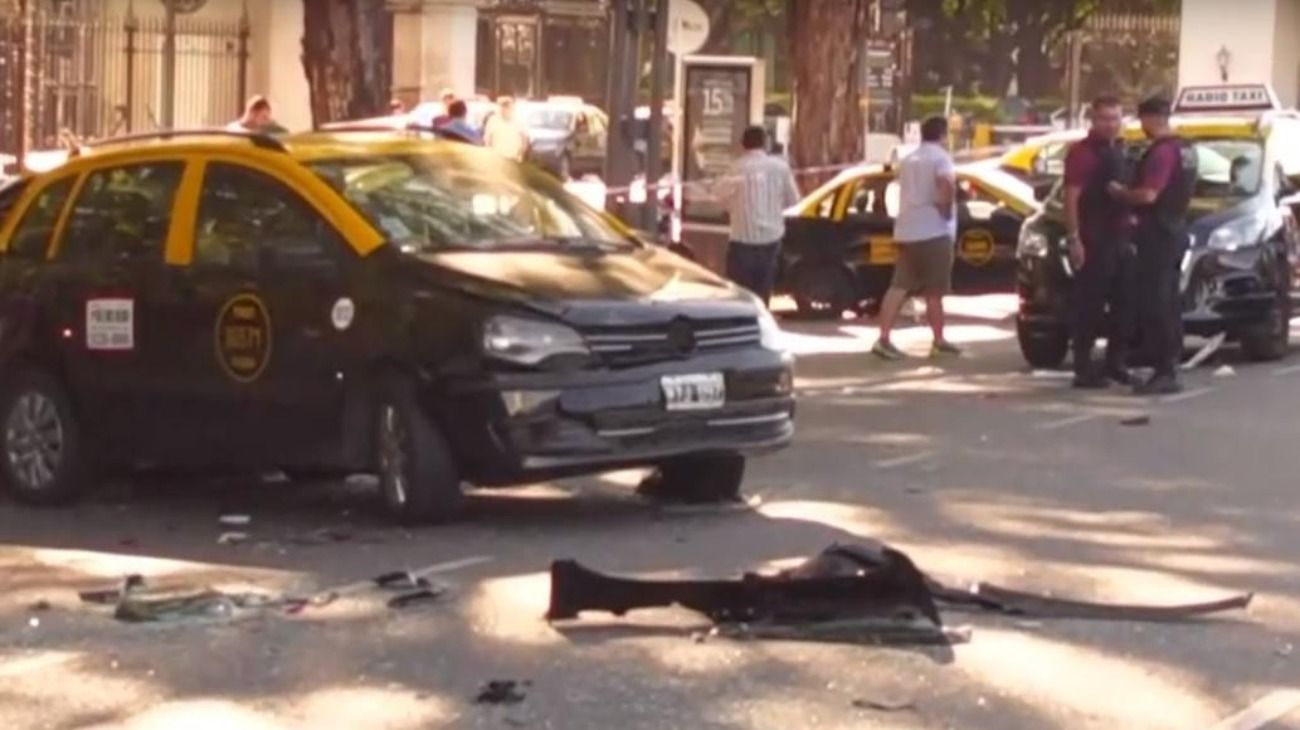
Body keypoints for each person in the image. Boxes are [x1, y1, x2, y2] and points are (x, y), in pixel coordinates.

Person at [1107, 96, 1198, 395]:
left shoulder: (1163, 152)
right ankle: (1166, 363)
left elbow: (1148, 195)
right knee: (1168, 300)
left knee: (1156, 301)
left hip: (1158, 233)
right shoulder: (1186, 148)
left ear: (1151, 118)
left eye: (1141, 119)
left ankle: (1165, 370)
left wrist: (1121, 193)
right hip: (1175, 228)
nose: (1141, 125)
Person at [872, 116, 961, 361]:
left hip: (907, 230)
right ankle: (938, 340)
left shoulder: (909, 159)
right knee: (935, 291)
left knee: (899, 286)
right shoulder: (941, 158)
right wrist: (946, 210)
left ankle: (883, 338)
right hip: (934, 231)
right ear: (943, 134)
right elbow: (946, 184)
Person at [1063, 95, 1135, 389]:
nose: (1111, 124)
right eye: (1105, 118)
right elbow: (1071, 198)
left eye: (1115, 118)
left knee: (1125, 303)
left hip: (1120, 237)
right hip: (1093, 237)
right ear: (1093, 120)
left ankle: (1116, 363)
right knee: (1090, 305)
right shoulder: (1082, 154)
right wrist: (1074, 239)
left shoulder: (1119, 150)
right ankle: (1083, 368)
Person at [716, 126, 800, 306]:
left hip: (742, 240)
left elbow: (719, 196)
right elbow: (793, 200)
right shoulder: (780, 168)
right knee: (763, 292)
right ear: (765, 143)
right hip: (771, 241)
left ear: (743, 145)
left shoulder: (736, 168)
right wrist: (773, 206)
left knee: (740, 295)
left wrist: (734, 207)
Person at [484, 96, 530, 162]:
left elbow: (525, 140)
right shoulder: (493, 120)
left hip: (514, 159)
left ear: (513, 107)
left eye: (508, 106)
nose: (505, 108)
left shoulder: (519, 120)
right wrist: (491, 155)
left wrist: (519, 154)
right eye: (503, 106)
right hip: (496, 160)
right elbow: (487, 140)